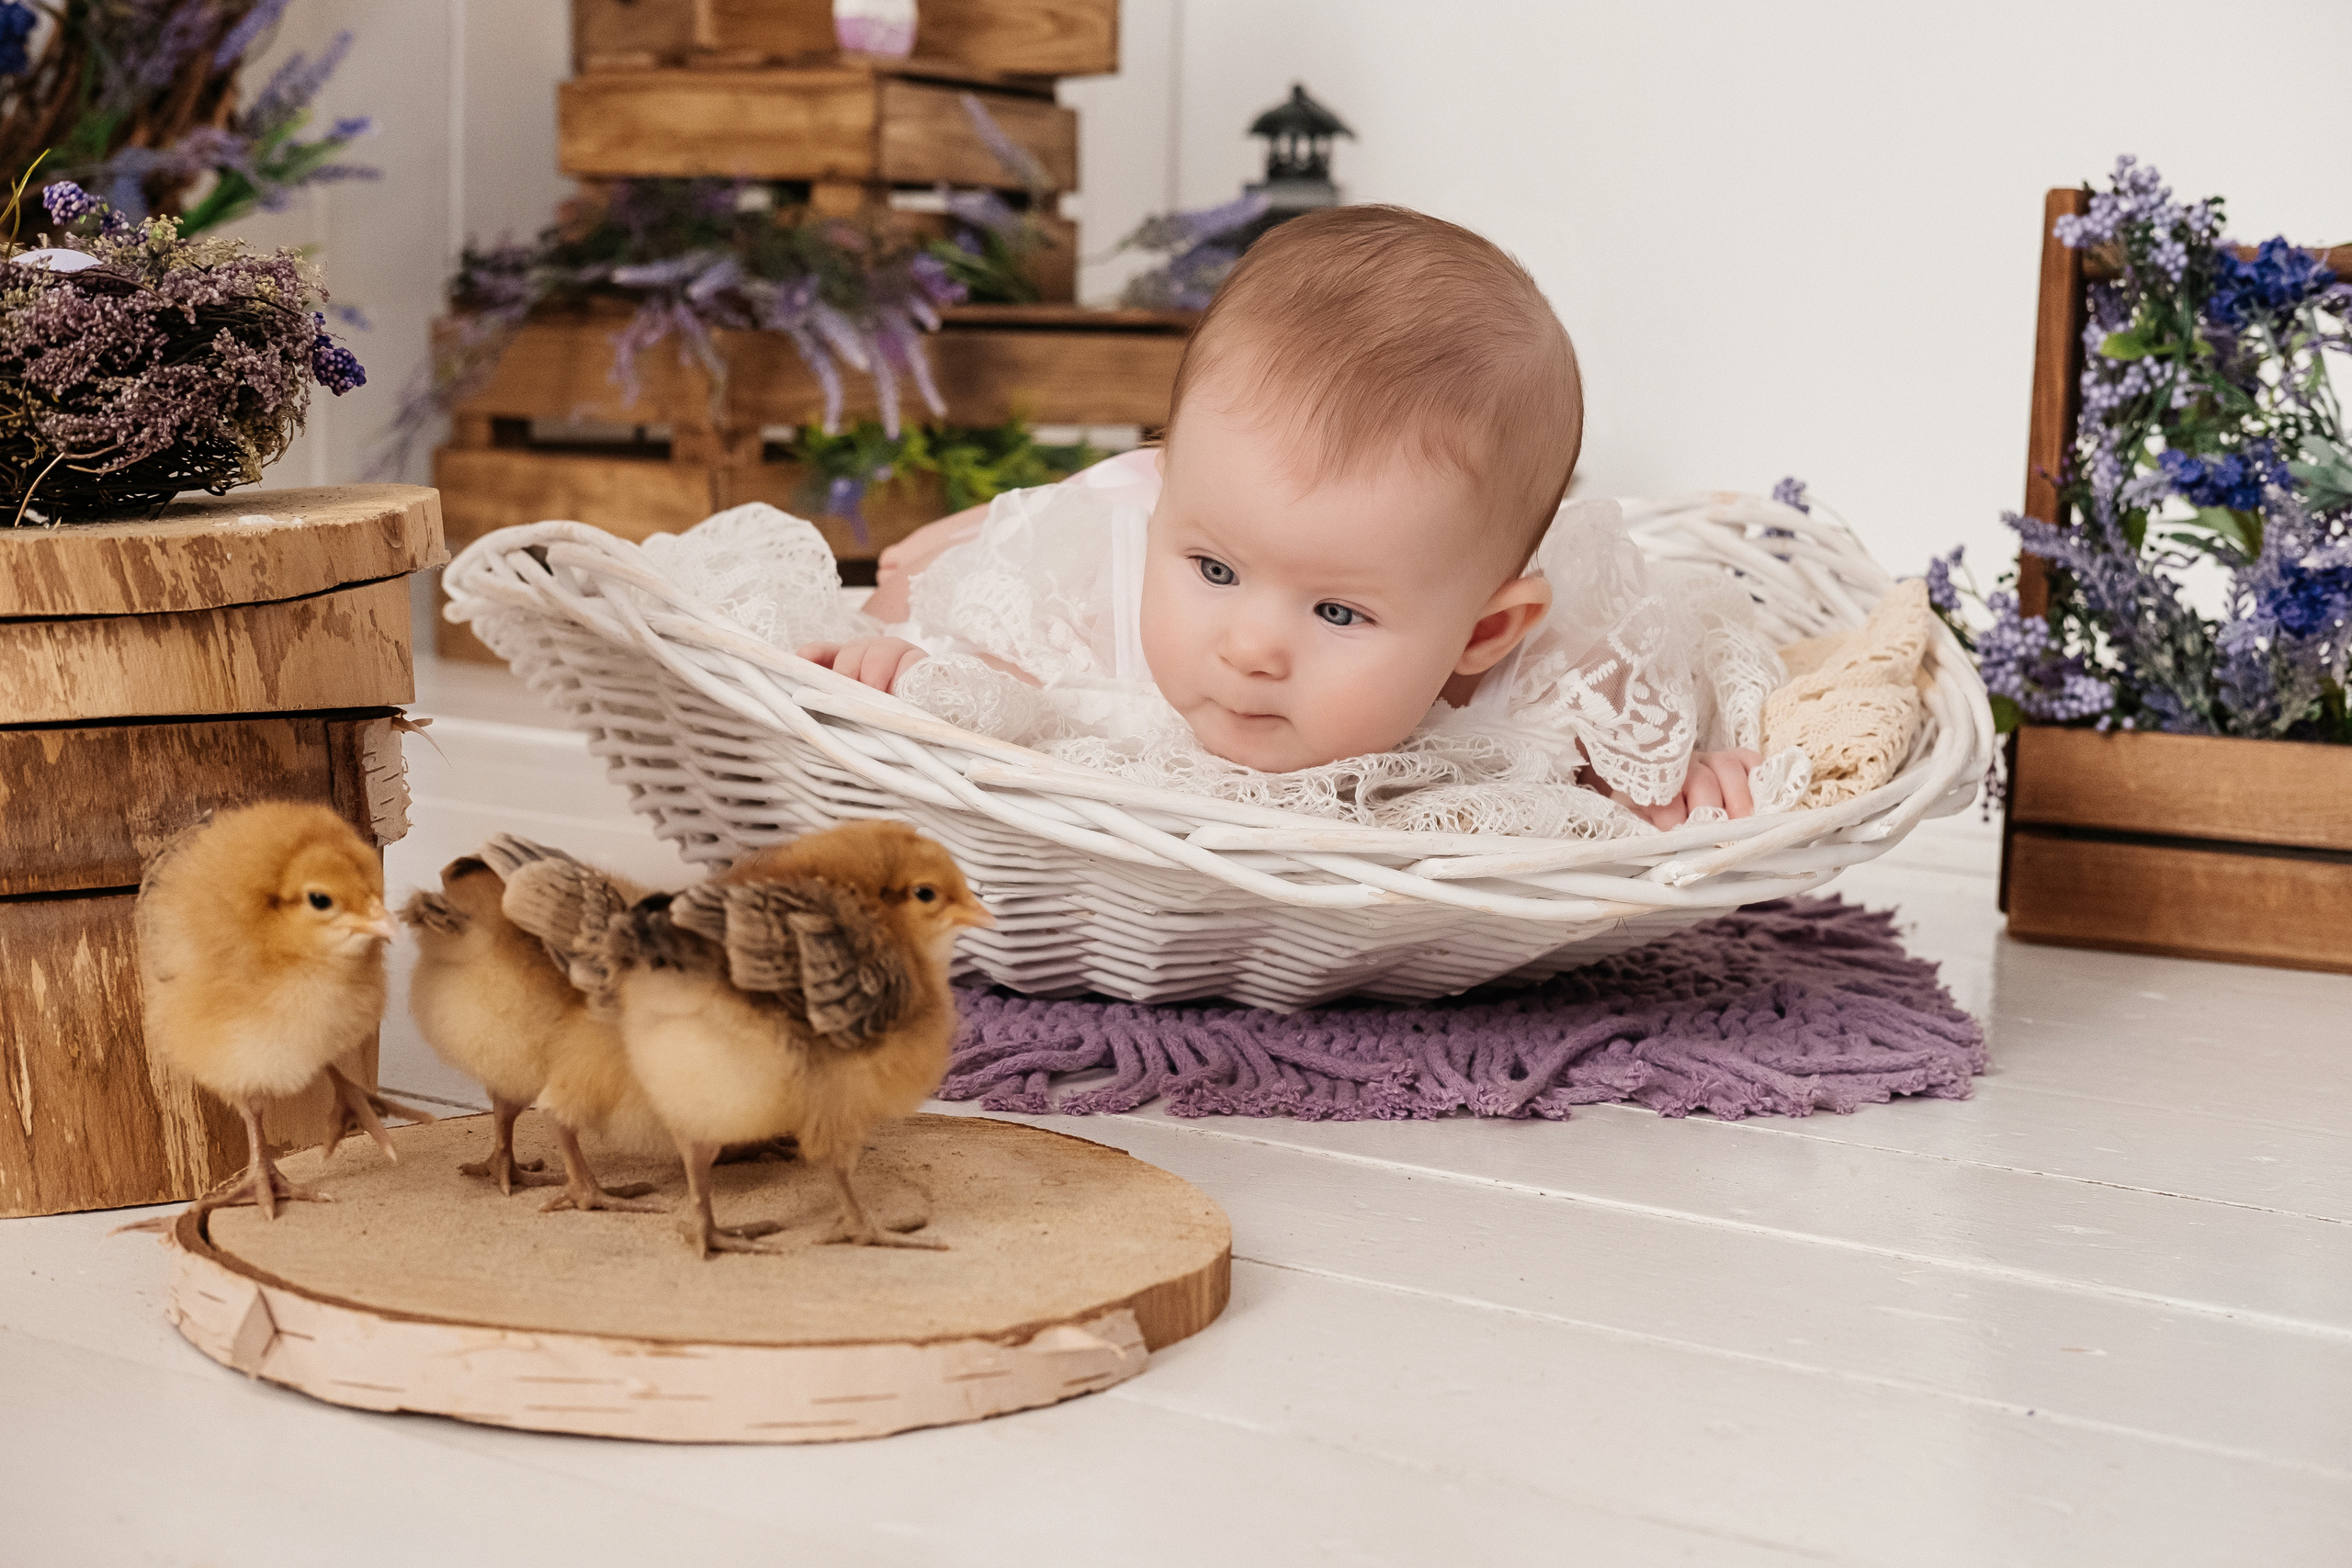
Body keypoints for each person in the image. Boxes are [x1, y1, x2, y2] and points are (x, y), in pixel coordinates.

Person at [799, 206, 1779, 830]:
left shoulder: (1547, 659)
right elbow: (993, 673)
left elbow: (1637, 739)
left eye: (1338, 614)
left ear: (1481, 632)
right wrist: (918, 667)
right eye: (1216, 573)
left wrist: (1670, 777)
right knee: (912, 582)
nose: (1252, 648)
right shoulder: (1101, 585)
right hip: (1085, 534)